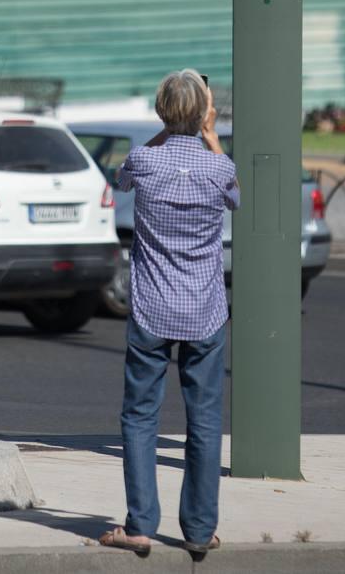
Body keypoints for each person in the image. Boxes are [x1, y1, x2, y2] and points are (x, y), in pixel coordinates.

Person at [99, 69, 240, 554]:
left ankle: (139, 525)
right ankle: (199, 531)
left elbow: (123, 180)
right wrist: (210, 135)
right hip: (204, 309)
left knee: (140, 416)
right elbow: (236, 197)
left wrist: (169, 130)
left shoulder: (143, 160)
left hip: (151, 306)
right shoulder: (219, 168)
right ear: (204, 112)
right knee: (204, 420)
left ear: (161, 112)